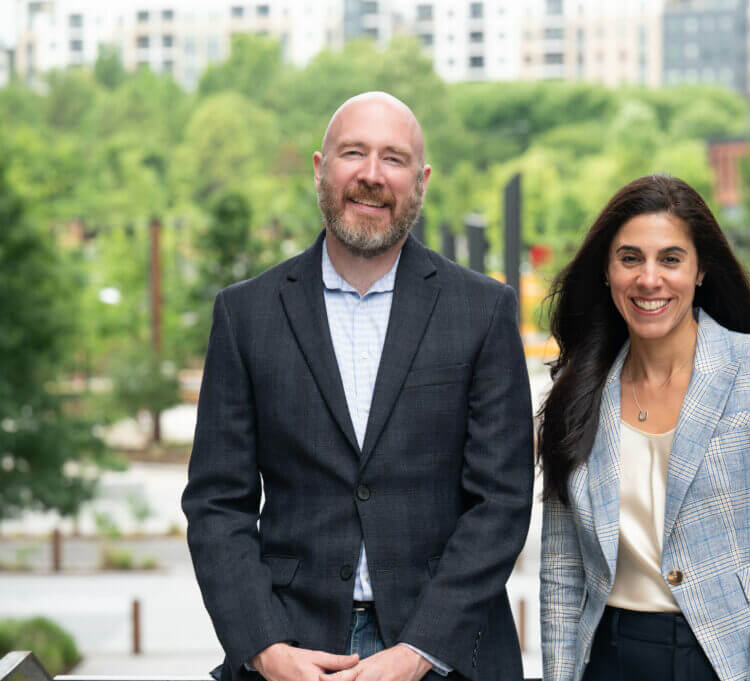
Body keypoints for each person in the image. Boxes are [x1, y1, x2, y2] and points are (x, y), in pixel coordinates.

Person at [182, 92, 534, 681]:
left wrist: (418, 651)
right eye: (354, 153)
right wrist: (265, 649)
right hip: (292, 652)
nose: (372, 175)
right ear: (321, 168)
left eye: (393, 159)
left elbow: (500, 503)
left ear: (420, 181)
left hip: (445, 656)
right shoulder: (246, 315)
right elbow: (217, 506)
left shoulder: (484, 311)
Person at [537, 175, 750, 681]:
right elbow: (562, 572)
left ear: (700, 271)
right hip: (606, 657)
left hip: (721, 660)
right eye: (630, 258)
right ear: (607, 271)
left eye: (670, 259)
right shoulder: (579, 390)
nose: (649, 279)